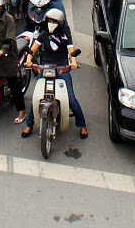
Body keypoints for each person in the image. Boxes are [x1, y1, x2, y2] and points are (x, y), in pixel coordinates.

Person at [20, 8, 86, 139]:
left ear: (60, 23)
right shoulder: (43, 34)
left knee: (71, 99)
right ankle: (29, 124)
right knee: (36, 98)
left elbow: (71, 50)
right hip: (45, 68)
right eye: (49, 20)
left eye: (54, 21)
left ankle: (82, 124)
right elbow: (33, 49)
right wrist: (28, 60)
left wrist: (73, 62)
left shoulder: (65, 34)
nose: (51, 23)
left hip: (61, 68)